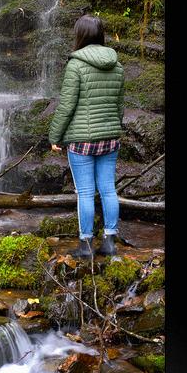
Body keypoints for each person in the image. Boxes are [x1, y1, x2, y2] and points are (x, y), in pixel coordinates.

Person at [48, 14, 125, 258]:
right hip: (110, 137)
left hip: (82, 141)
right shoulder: (117, 65)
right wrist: (112, 127)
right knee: (108, 190)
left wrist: (55, 136)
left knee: (85, 192)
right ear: (101, 34)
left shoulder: (76, 65)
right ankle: (110, 242)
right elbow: (120, 106)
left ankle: (86, 245)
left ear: (80, 35)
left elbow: (67, 105)